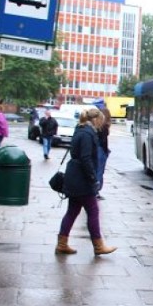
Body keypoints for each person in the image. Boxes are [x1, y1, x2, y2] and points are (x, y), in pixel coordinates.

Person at [55, 108, 117, 256]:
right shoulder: (88, 134)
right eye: (101, 120)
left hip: (74, 177)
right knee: (93, 211)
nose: (101, 123)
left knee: (73, 210)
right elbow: (86, 158)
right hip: (82, 180)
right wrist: (93, 179)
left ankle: (62, 243)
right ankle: (98, 245)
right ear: (96, 120)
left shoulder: (80, 130)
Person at [95, 107, 111, 199]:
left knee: (97, 170)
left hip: (98, 149)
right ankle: (96, 191)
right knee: (99, 171)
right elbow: (103, 141)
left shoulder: (98, 126)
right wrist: (106, 151)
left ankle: (95, 190)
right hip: (101, 150)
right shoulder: (104, 127)